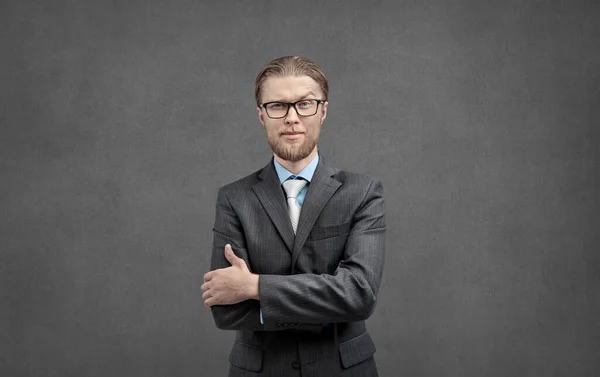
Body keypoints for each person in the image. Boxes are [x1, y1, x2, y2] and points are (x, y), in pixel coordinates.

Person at [201, 56, 386, 377]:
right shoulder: (234, 198)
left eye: (305, 104)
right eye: (277, 106)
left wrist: (256, 287)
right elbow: (226, 312)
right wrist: (325, 310)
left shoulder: (363, 192)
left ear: (323, 111)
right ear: (261, 115)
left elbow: (359, 295)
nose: (292, 118)